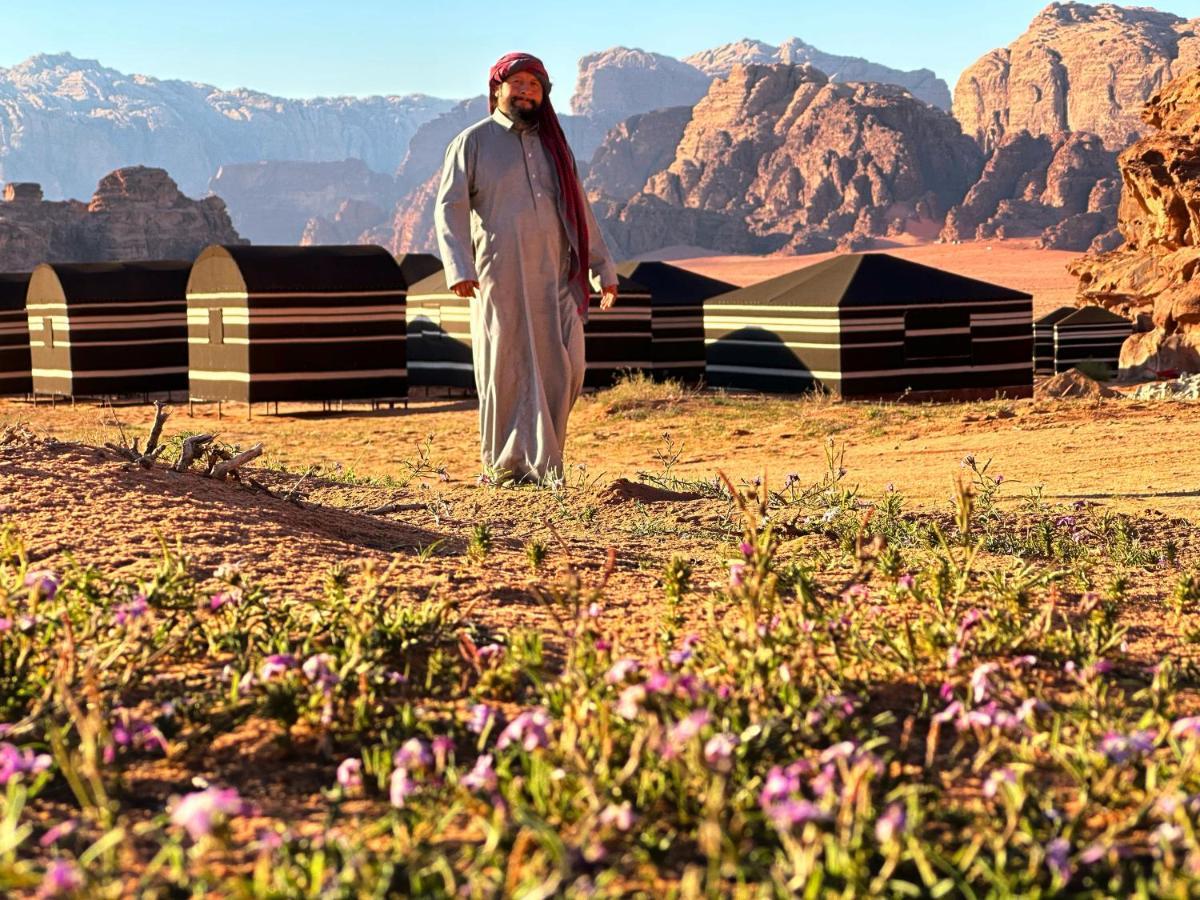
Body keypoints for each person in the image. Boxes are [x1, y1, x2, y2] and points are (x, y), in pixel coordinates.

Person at [434, 51, 618, 483]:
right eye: (517, 84)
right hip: (499, 274)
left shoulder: (555, 148)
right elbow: (450, 207)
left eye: (534, 85)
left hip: (557, 274)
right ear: (498, 88)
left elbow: (581, 212)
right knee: (507, 366)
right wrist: (459, 266)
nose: (525, 91)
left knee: (567, 366)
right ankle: (506, 466)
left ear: (543, 95)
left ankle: (544, 461)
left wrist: (602, 269)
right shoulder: (472, 142)